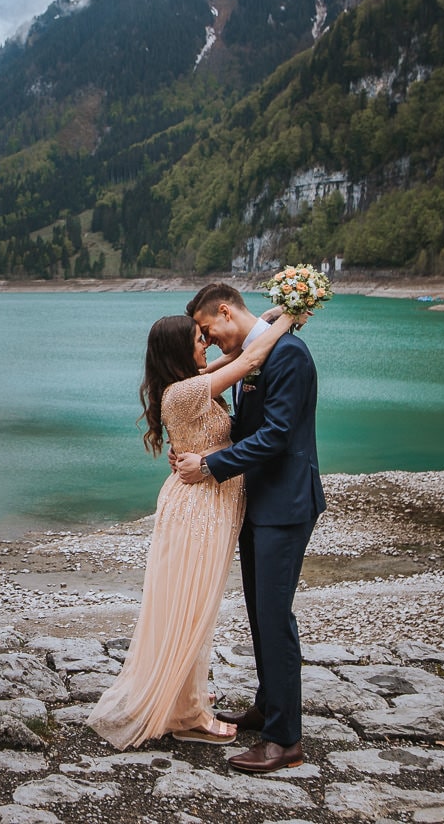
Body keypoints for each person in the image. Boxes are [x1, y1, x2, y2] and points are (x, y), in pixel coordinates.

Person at [87, 309, 301, 751]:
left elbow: (239, 351)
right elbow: (250, 358)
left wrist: (266, 315)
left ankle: (184, 695)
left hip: (210, 505)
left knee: (191, 604)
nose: (207, 345)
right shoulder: (184, 393)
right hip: (198, 510)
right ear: (178, 350)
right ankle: (186, 715)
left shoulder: (192, 383)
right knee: (189, 606)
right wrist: (294, 316)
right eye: (199, 340)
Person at [174, 282, 324, 774]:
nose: (208, 338)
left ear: (224, 311)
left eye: (206, 328)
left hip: (285, 504)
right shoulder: (258, 353)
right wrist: (207, 449)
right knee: (261, 614)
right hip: (259, 503)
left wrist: (212, 467)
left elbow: (277, 435)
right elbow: (246, 425)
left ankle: (285, 741)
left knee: (275, 618)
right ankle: (268, 707)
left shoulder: (289, 356)